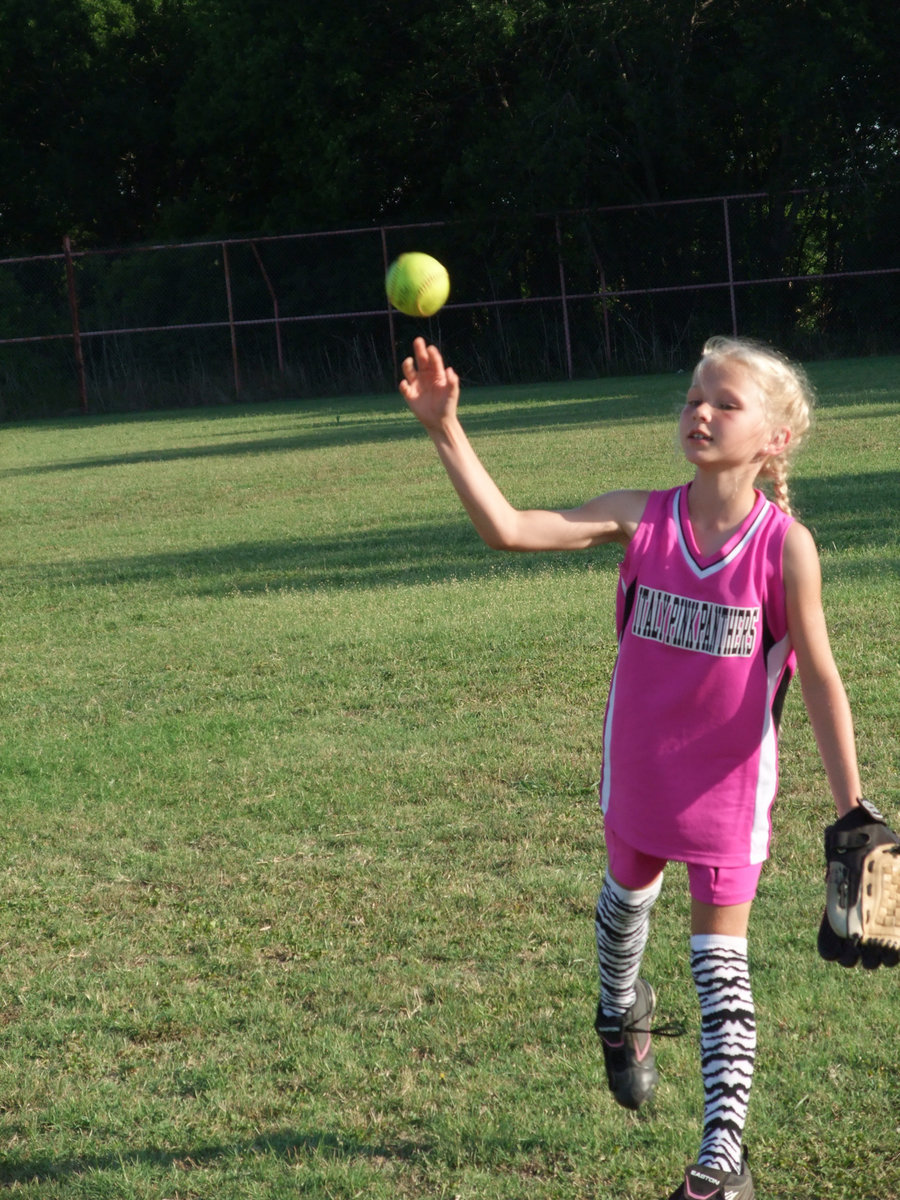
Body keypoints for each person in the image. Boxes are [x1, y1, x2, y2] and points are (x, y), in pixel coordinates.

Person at [399, 333, 868, 1200]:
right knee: (622, 921)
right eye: (695, 396)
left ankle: (722, 1161)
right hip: (640, 777)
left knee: (720, 970)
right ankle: (620, 1015)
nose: (701, 411)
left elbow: (823, 678)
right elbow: (508, 530)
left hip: (728, 794)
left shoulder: (782, 547)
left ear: (776, 438)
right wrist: (444, 429)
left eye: (726, 403)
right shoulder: (641, 517)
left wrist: (857, 812)